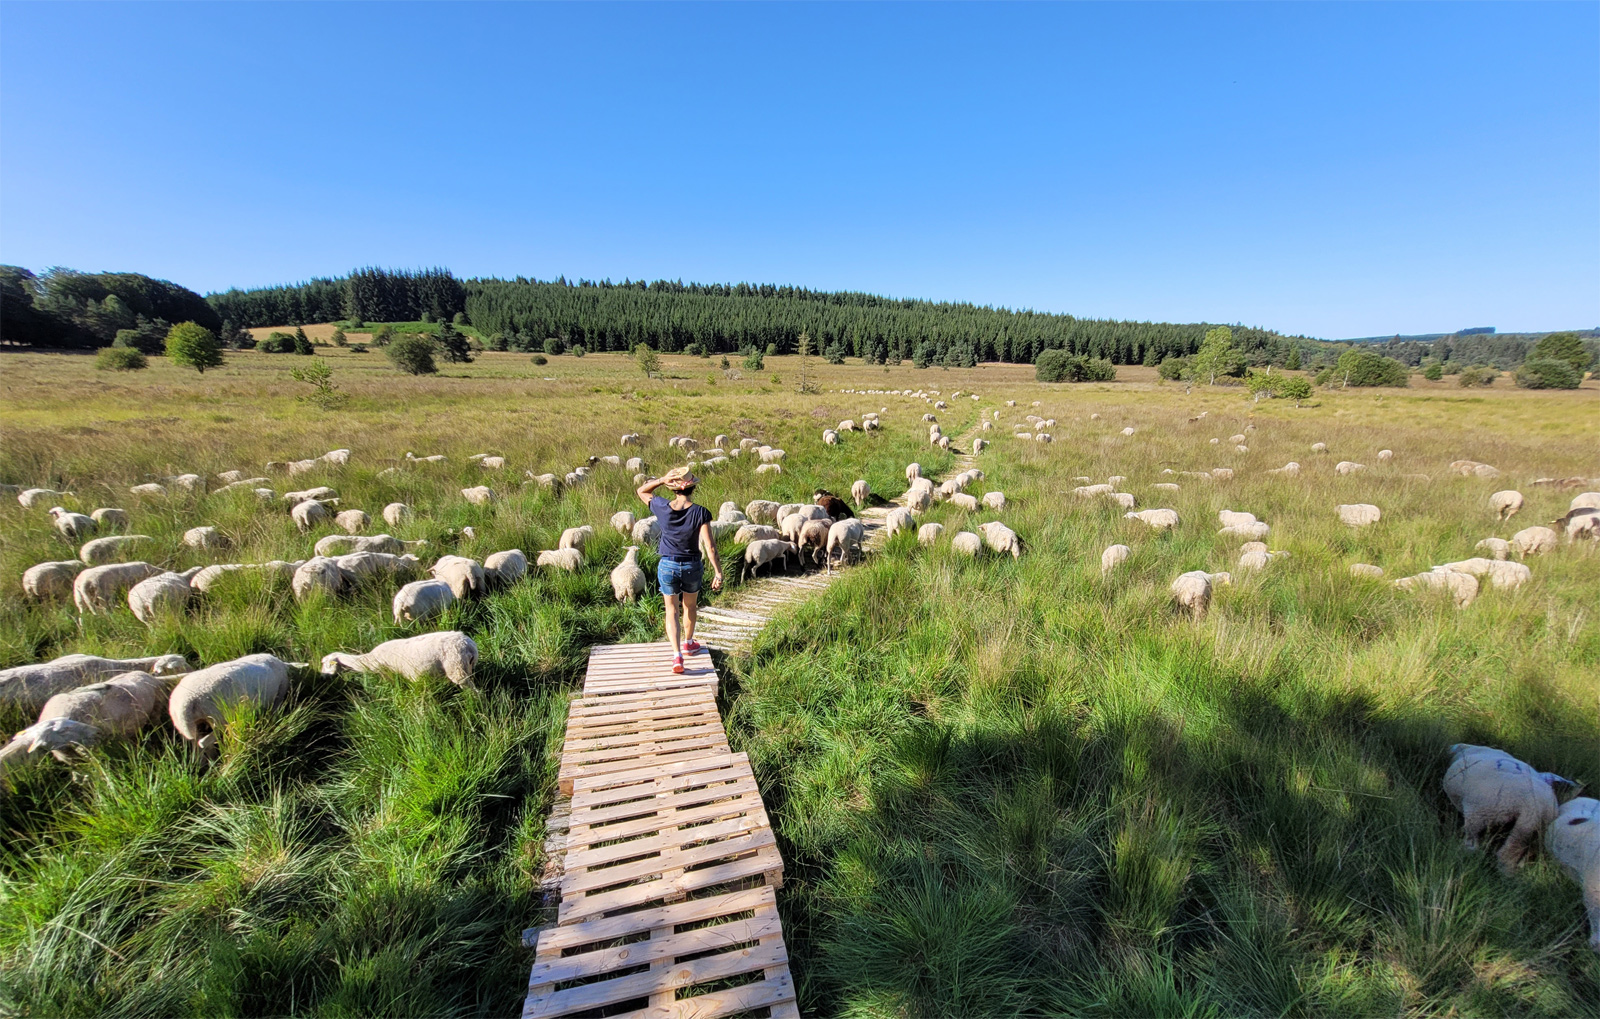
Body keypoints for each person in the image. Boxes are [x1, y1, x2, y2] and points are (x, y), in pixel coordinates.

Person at [635, 466, 724, 673]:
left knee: (671, 610)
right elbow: (710, 547)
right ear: (692, 488)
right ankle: (689, 642)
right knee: (690, 607)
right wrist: (718, 572)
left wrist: (662, 479)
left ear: (673, 489)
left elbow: (642, 491)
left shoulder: (661, 506)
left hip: (667, 564)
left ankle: (677, 656)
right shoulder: (701, 512)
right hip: (692, 565)